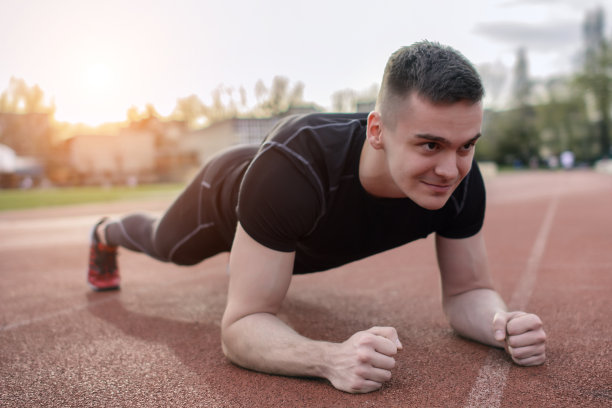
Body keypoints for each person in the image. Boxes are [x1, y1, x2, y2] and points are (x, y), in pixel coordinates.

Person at [87, 41, 547, 393]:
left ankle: (256, 260)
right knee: (169, 247)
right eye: (430, 145)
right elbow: (240, 327)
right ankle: (106, 231)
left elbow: (469, 291)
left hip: (289, 224)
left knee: (262, 273)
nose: (451, 170)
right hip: (229, 196)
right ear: (377, 130)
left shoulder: (462, 181)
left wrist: (500, 325)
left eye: (467, 144)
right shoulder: (295, 167)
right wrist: (329, 358)